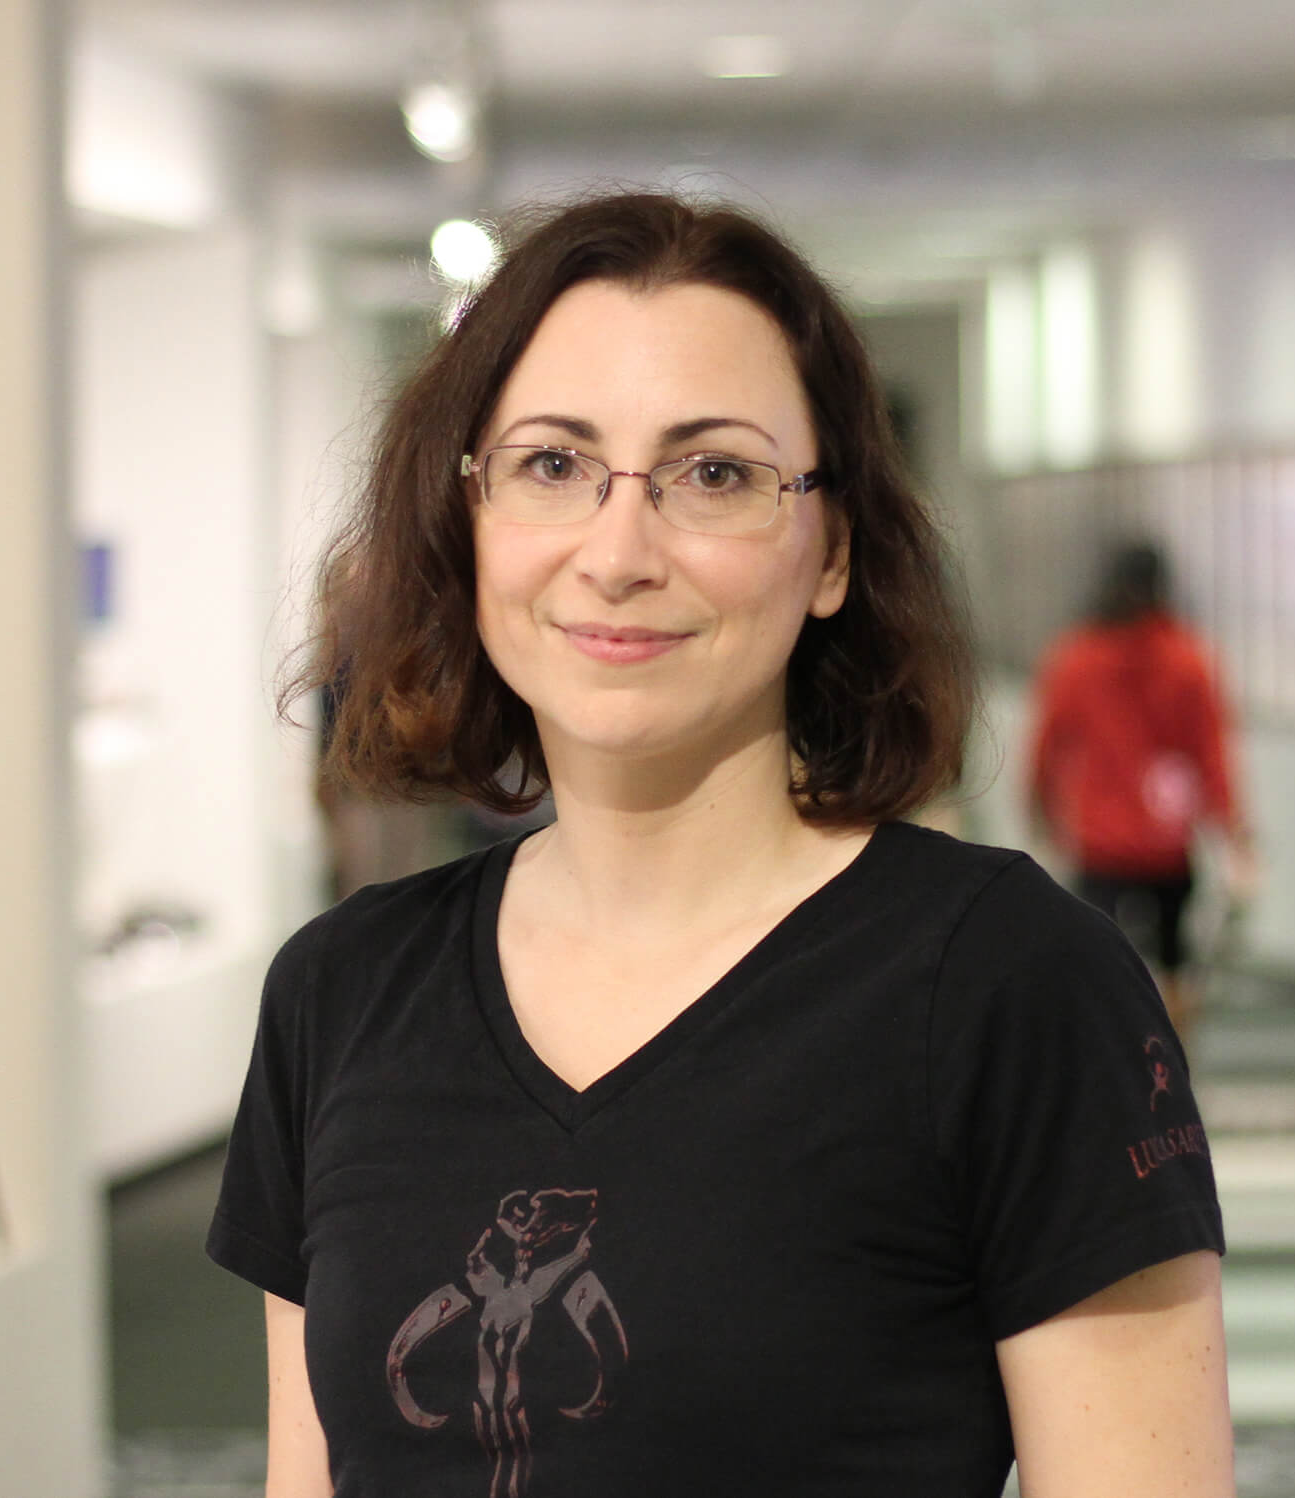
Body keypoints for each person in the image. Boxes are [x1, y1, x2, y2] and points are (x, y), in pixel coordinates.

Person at [211, 194, 1228, 1498]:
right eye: (553, 464)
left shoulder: (1012, 985)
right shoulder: (340, 992)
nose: (619, 551)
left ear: (831, 549)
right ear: (467, 518)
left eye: (714, 473)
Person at [1025, 543, 1257, 1040]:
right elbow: (1212, 753)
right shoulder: (1190, 658)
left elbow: (1045, 748)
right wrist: (1235, 833)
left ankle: (1104, 1072)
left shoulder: (1076, 658)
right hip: (1168, 845)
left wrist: (1039, 814)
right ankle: (1175, 1075)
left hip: (1100, 844)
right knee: (1175, 964)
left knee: (1093, 966)